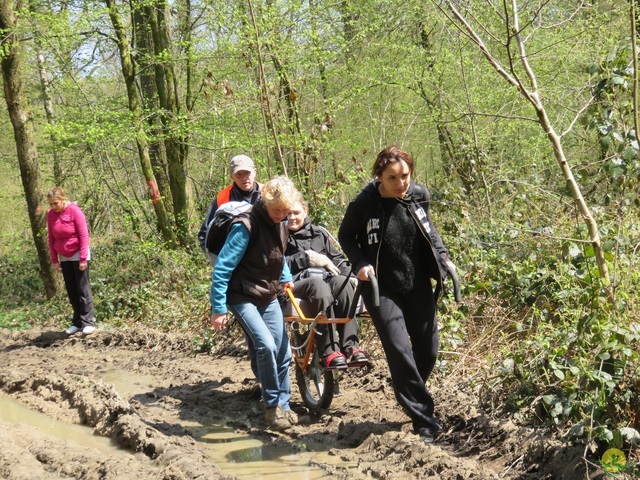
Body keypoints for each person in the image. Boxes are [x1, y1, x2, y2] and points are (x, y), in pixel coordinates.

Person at [338, 146, 456, 444]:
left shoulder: (418, 195)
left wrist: (443, 257)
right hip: (382, 288)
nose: (401, 183)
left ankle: (408, 390)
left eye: (405, 175)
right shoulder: (364, 203)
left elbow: (430, 232)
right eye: (393, 178)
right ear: (379, 176)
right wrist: (360, 263)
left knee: (428, 349)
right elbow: (345, 236)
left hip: (416, 282)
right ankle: (424, 420)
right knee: (399, 349)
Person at [209, 176, 300, 431]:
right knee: (266, 346)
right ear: (265, 202)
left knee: (283, 352)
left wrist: (286, 278)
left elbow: (277, 254)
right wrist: (217, 308)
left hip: (267, 293)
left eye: (286, 210)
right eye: (277, 210)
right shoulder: (245, 225)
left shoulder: (280, 222)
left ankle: (285, 406)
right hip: (241, 295)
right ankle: (272, 409)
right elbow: (222, 268)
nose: (282, 215)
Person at [284, 197, 368, 369]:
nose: (291, 217)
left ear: (305, 212)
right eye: (287, 213)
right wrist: (306, 258)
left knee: (340, 282)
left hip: (325, 279)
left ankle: (351, 347)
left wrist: (350, 275)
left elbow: (337, 259)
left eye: (296, 212)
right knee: (317, 285)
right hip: (295, 284)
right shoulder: (278, 236)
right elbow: (274, 263)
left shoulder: (319, 234)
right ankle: (328, 351)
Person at [198, 154, 262, 378]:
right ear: (232, 176)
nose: (245, 178)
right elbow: (205, 234)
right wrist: (220, 262)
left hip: (267, 267)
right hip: (237, 269)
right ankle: (262, 378)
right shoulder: (222, 197)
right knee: (254, 332)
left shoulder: (268, 193)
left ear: (255, 171)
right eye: (239, 174)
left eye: (247, 172)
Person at [46, 187, 98, 335]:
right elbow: (51, 238)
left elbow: (83, 235)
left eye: (56, 203)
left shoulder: (75, 211)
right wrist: (54, 259)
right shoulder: (50, 215)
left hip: (78, 253)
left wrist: (83, 258)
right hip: (64, 255)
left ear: (63, 200)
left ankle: (88, 322)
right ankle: (77, 322)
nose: (53, 207)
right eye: (50, 204)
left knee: (82, 288)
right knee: (71, 290)